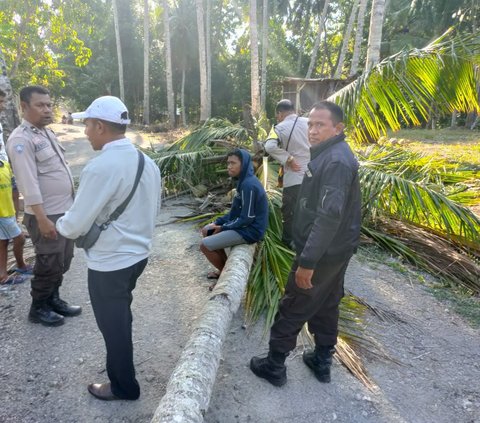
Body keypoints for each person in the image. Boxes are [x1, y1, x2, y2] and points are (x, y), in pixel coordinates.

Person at [56, 96, 161, 401]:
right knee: (120, 314)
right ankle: (122, 375)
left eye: (87, 125)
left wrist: (58, 225)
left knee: (112, 324)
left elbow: (74, 225)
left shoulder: (101, 167)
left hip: (110, 263)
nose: (85, 132)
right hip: (138, 256)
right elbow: (154, 209)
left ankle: (124, 387)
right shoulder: (147, 162)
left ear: (100, 126)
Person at [250, 101, 361, 386]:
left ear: (338, 128)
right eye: (310, 124)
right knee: (327, 303)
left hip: (322, 252)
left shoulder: (335, 161)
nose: (312, 130)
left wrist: (307, 262)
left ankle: (274, 365)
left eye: (320, 125)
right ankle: (322, 360)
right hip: (336, 250)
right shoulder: (332, 153)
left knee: (295, 303)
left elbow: (329, 215)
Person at [6, 86, 80, 326]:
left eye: (49, 104)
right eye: (40, 105)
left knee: (64, 259)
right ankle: (38, 308)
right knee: (48, 261)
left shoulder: (45, 133)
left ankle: (53, 298)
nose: (47, 109)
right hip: (45, 214)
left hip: (64, 210)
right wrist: (42, 218)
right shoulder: (21, 139)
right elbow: (27, 184)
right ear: (24, 107)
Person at [200, 149, 268, 289]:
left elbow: (247, 218)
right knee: (208, 231)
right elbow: (234, 213)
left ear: (243, 164)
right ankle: (224, 271)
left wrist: (223, 228)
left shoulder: (249, 185)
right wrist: (216, 223)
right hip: (245, 226)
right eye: (228, 163)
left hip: (251, 231)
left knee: (205, 245)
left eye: (233, 163)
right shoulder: (242, 182)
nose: (229, 166)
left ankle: (223, 280)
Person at [264, 99, 309, 248]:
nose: (277, 118)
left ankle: (288, 242)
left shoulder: (278, 127)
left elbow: (269, 146)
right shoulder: (310, 122)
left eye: (277, 115)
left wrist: (288, 158)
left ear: (280, 113)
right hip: (313, 175)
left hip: (294, 177)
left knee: (289, 212)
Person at [0, 159, 32, 286]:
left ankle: (3, 275)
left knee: (3, 242)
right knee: (20, 238)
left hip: (8, 212)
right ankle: (21, 265)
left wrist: (16, 213)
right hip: (2, 214)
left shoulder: (5, 165)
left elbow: (14, 190)